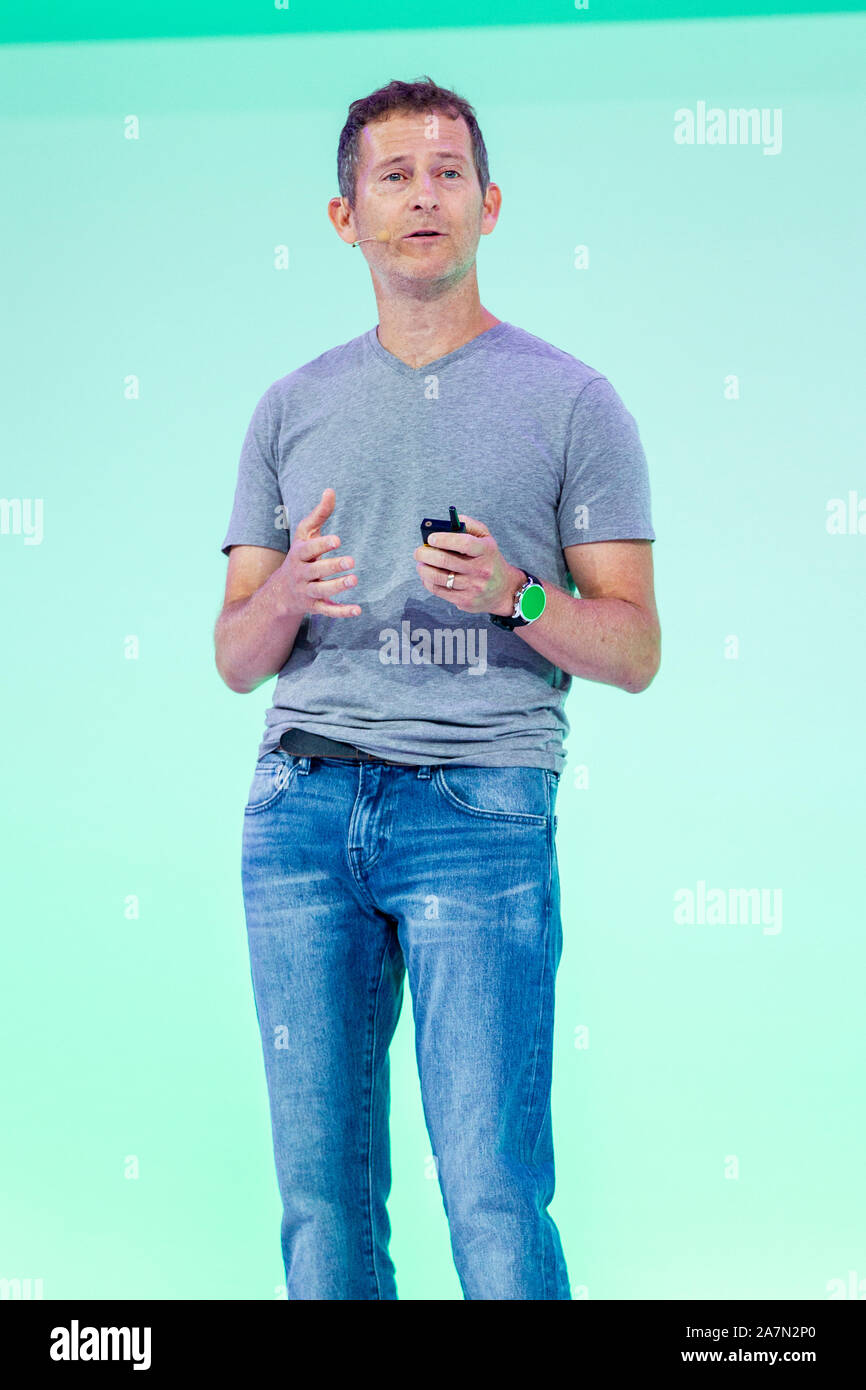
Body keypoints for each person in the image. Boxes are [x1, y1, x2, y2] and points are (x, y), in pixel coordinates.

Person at [215, 76, 660, 1300]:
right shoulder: (288, 408)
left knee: (494, 1191)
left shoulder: (573, 402)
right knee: (322, 1199)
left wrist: (518, 596)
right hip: (302, 808)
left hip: (480, 815)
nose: (424, 195)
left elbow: (633, 649)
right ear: (342, 214)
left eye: (448, 171)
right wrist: (290, 593)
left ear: (490, 203)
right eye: (394, 174)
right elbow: (234, 654)